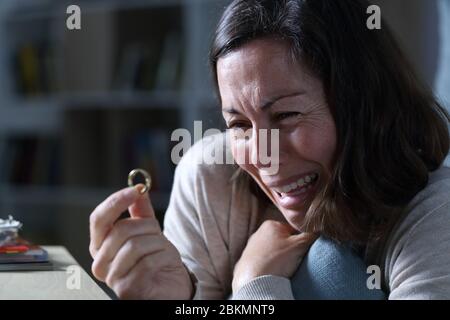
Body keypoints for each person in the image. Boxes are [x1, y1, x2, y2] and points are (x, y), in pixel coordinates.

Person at [88, 0, 450, 300]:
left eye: (286, 115)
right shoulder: (208, 177)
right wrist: (175, 298)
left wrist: (254, 287)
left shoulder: (436, 213)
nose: (262, 156)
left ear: (365, 109)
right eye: (240, 125)